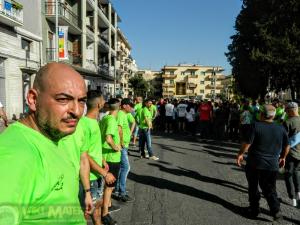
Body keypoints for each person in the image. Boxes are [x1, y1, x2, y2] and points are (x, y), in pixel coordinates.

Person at [0, 62, 90, 224]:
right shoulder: (15, 154)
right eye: (63, 99)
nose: (77, 111)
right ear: (33, 99)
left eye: (82, 101)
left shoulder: (54, 134)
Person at [69, 90, 115, 225]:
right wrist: (104, 173)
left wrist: (102, 160)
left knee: (96, 207)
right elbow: (84, 155)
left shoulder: (94, 122)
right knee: (86, 211)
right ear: (100, 104)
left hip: (97, 174)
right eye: (103, 100)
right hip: (89, 177)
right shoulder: (84, 124)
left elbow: (92, 148)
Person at [236, 104, 290, 220]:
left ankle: (254, 209)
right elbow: (287, 145)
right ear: (274, 116)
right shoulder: (281, 128)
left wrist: (240, 154)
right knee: (270, 188)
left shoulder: (255, 126)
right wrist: (283, 157)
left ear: (261, 114)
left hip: (255, 163)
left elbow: (247, 144)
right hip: (272, 164)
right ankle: (276, 210)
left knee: (253, 186)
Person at [99, 98, 121, 225]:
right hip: (111, 157)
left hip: (104, 156)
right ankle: (105, 214)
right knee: (109, 187)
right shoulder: (112, 120)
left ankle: (107, 206)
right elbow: (108, 138)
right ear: (118, 107)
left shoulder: (105, 118)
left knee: (107, 187)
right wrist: (115, 147)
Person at [114, 98, 135, 202]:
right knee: (126, 168)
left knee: (122, 168)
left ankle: (118, 190)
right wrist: (122, 142)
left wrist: (130, 134)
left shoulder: (124, 114)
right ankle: (121, 192)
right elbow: (119, 129)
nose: (131, 107)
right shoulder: (121, 114)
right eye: (130, 105)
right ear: (124, 106)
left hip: (124, 145)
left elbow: (133, 123)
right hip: (122, 146)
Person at [283, 102, 300, 207]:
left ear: (290, 110)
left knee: (288, 174)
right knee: (297, 172)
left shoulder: (287, 122)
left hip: (290, 152)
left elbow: (284, 140)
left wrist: (281, 156)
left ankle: (292, 197)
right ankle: (299, 193)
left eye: (286, 110)